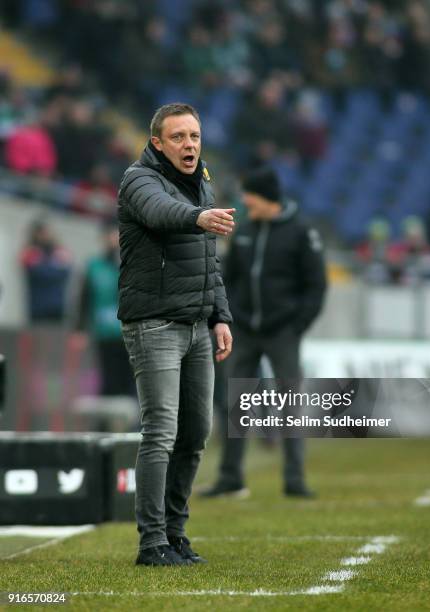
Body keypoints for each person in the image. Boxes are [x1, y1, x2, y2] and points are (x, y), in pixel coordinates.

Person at [118, 103, 234, 567]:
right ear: (157, 143)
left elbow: (208, 261)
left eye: (195, 136)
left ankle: (175, 534)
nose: (190, 145)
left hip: (196, 325)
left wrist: (220, 315)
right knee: (160, 432)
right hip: (155, 324)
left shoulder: (200, 180)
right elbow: (161, 212)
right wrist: (197, 217)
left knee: (196, 434)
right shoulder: (138, 180)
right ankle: (151, 544)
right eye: (180, 137)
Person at [201, 167, 328, 499]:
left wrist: (296, 326)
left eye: (249, 196)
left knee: (290, 403)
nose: (244, 202)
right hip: (245, 329)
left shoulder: (301, 233)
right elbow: (228, 278)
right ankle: (230, 478)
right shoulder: (245, 232)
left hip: (283, 331)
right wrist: (229, 316)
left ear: (266, 198)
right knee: (234, 404)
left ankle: (295, 480)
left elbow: (316, 286)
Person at [72, 220, 133, 398]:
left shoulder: (133, 263)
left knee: (132, 381)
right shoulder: (94, 266)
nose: (114, 239)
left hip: (131, 333)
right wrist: (80, 328)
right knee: (108, 380)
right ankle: (108, 423)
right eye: (111, 234)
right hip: (105, 333)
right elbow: (84, 298)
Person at [20, 219, 73, 323]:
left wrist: (45, 268)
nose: (45, 235)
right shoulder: (29, 252)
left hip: (57, 308)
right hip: (37, 309)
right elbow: (36, 273)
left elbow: (66, 272)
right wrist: (53, 269)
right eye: (42, 232)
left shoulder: (60, 252)